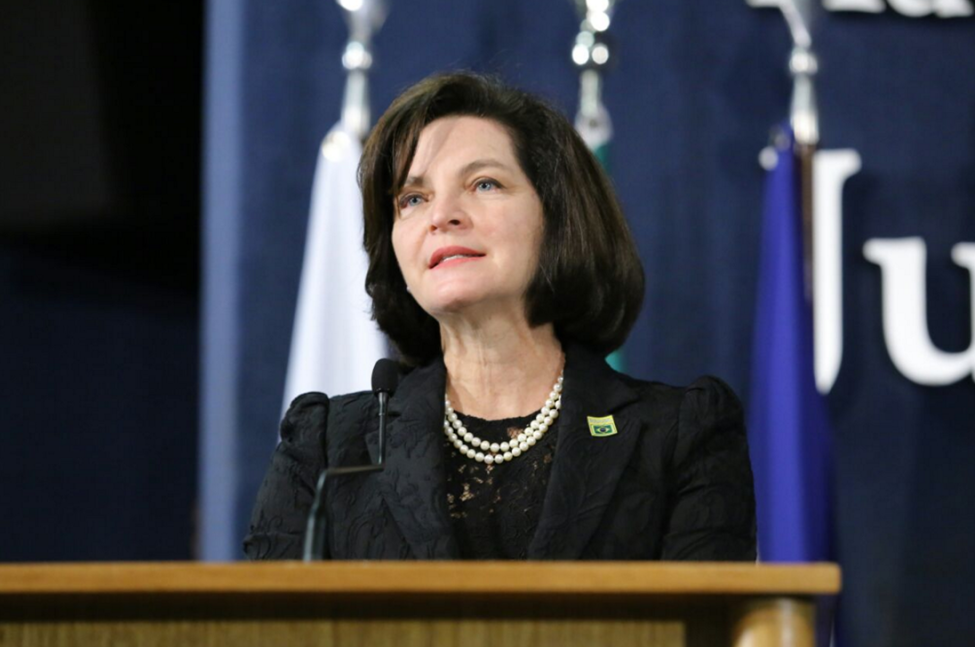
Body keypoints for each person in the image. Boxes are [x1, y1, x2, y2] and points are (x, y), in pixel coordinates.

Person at [244, 72, 756, 561]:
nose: (442, 215)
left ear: (557, 218)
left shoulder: (678, 437)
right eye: (413, 198)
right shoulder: (327, 448)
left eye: (483, 184)